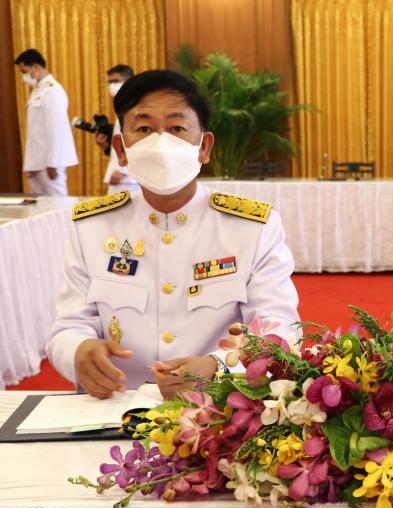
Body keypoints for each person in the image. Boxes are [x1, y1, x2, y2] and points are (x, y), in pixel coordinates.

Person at [47, 70, 301, 399]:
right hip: (116, 405)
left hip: (218, 405)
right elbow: (67, 327)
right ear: (121, 150)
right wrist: (78, 351)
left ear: (204, 147)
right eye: (144, 129)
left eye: (177, 128)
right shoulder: (91, 228)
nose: (161, 143)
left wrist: (218, 367)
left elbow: (278, 327)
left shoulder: (252, 228)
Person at [15, 48, 78, 196]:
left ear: (36, 67)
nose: (24, 76)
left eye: (24, 71)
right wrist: (31, 163)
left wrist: (52, 163)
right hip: (37, 162)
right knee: (39, 205)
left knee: (58, 203)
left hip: (49, 163)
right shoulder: (38, 90)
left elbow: (56, 129)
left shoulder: (53, 90)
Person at [95, 64, 140, 195]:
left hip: (128, 177)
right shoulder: (122, 106)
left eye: (115, 81)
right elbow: (121, 141)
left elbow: (138, 140)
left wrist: (122, 170)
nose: (111, 86)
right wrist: (106, 146)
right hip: (120, 174)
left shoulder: (134, 106)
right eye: (109, 82)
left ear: (129, 82)